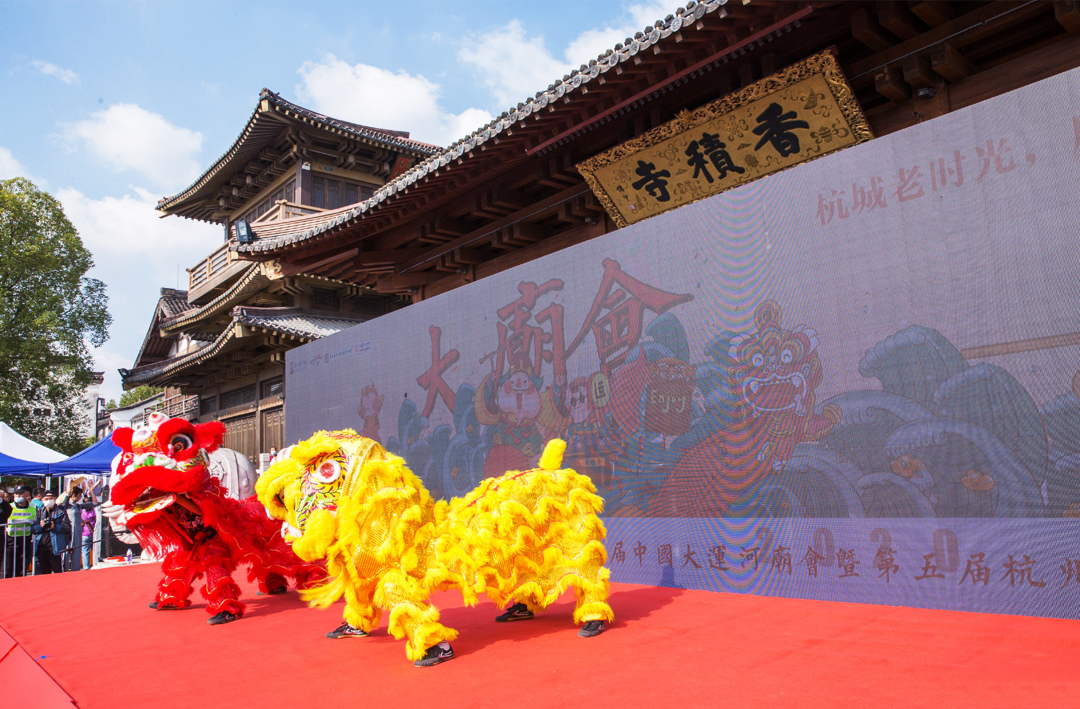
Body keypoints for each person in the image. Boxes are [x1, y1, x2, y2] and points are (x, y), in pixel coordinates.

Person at [32, 491, 71, 575]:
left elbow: (67, 527)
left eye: (51, 498)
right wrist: (40, 526)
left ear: (55, 499)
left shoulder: (60, 511)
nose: (48, 500)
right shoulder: (39, 512)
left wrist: (55, 527)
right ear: (42, 500)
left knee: (58, 571)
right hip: (42, 546)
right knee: (44, 573)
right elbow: (33, 528)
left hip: (56, 546)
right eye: (46, 499)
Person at [4, 486, 35, 577]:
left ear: (27, 494)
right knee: (8, 570)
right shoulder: (9, 507)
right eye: (16, 493)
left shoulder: (33, 508)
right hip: (10, 542)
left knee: (22, 570)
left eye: (21, 493)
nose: (18, 495)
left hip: (26, 542)